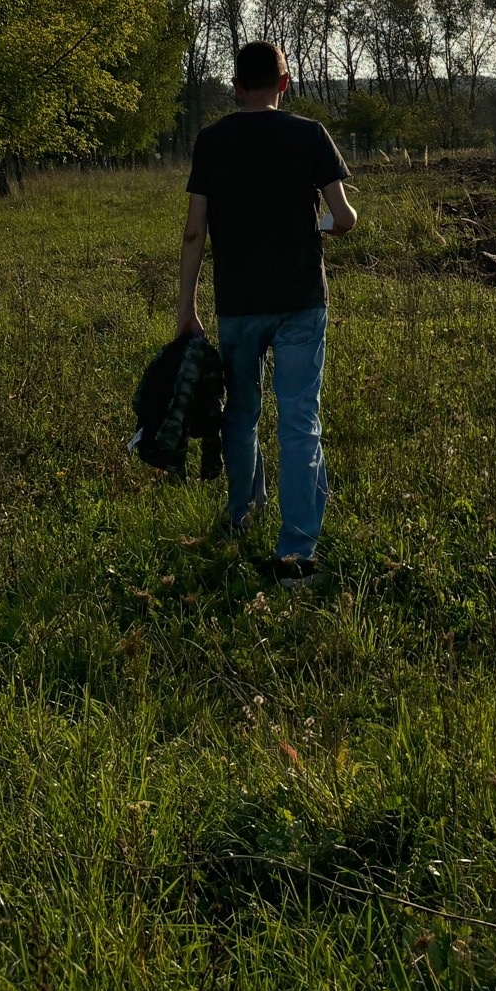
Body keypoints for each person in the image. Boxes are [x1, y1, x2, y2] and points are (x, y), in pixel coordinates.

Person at [177, 40, 357, 585]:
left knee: (242, 414)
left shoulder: (211, 142)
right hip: (302, 300)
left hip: (238, 305)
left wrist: (186, 308)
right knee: (300, 420)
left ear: (235, 85)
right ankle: (297, 554)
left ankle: (242, 518)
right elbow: (344, 217)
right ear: (284, 83)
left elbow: (193, 231)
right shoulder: (309, 135)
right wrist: (316, 228)